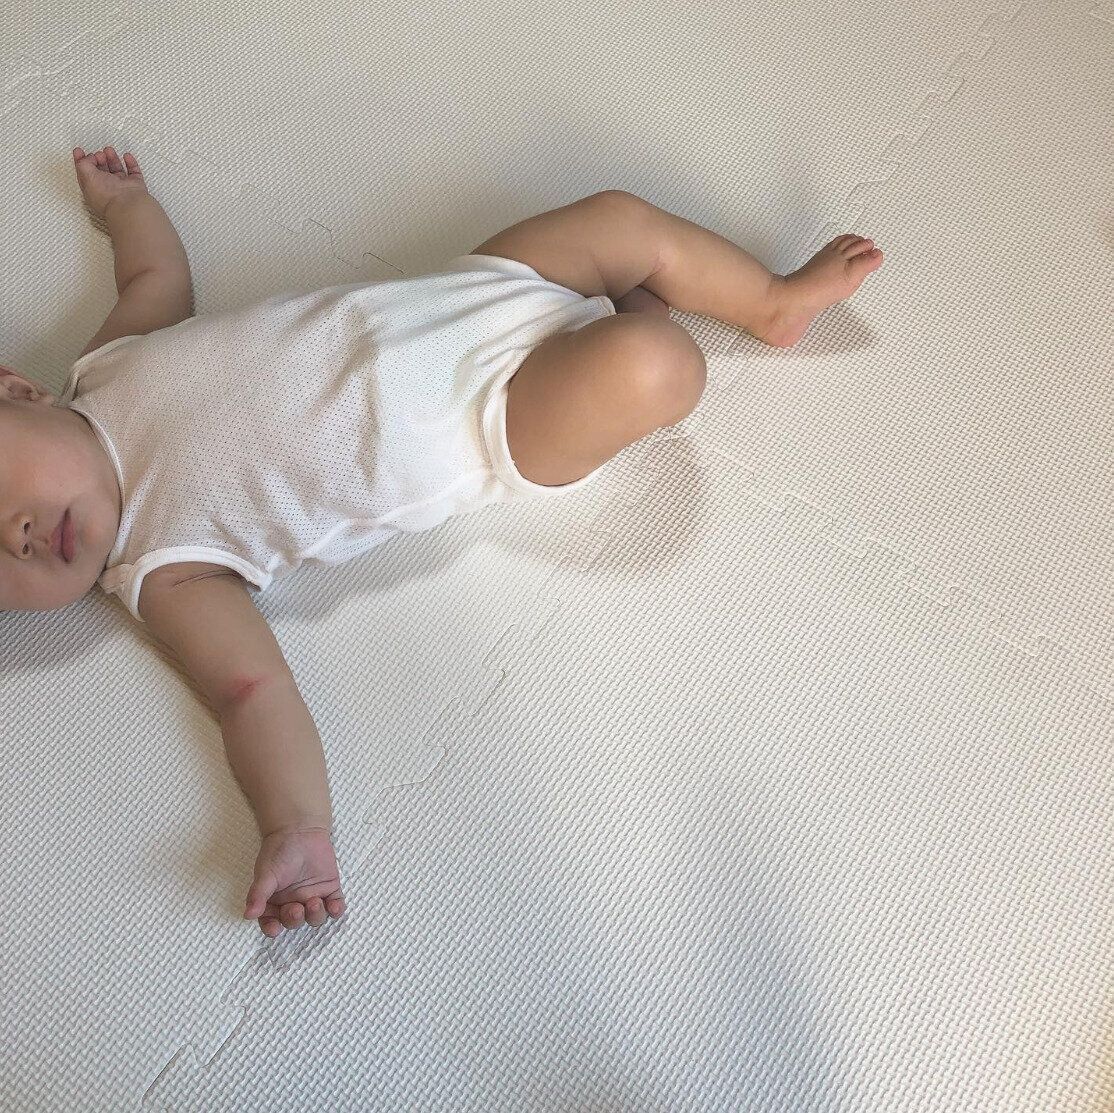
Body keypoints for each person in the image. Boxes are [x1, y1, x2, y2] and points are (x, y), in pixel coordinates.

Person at [1, 147, 883, 938]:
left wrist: (126, 210)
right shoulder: (165, 570)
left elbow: (153, 275)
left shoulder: (106, 364)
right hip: (501, 420)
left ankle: (771, 302)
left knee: (618, 217)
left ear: (18, 391)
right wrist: (295, 826)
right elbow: (249, 692)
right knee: (654, 362)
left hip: (473, 293)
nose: (18, 534)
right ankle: (631, 323)